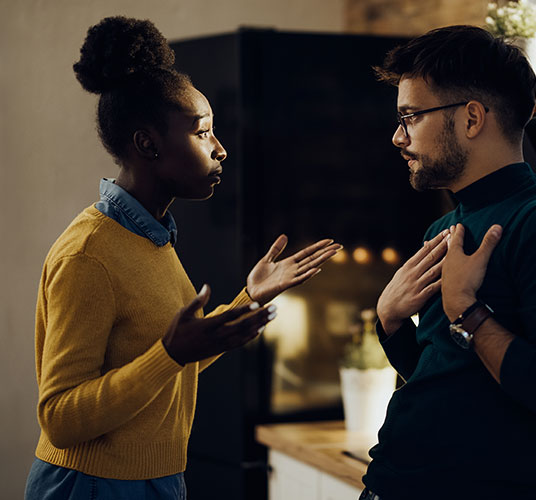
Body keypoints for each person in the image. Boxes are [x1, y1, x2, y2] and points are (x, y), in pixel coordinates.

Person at [25, 16, 340, 500]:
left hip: (158, 480)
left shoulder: (152, 238)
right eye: (202, 133)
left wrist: (248, 301)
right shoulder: (88, 255)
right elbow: (61, 417)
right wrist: (169, 353)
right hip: (91, 486)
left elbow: (174, 358)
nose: (221, 150)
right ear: (147, 144)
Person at [363, 25, 536, 499]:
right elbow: (449, 381)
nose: (397, 136)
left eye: (410, 116)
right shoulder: (443, 230)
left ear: (472, 119)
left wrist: (466, 309)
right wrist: (391, 323)